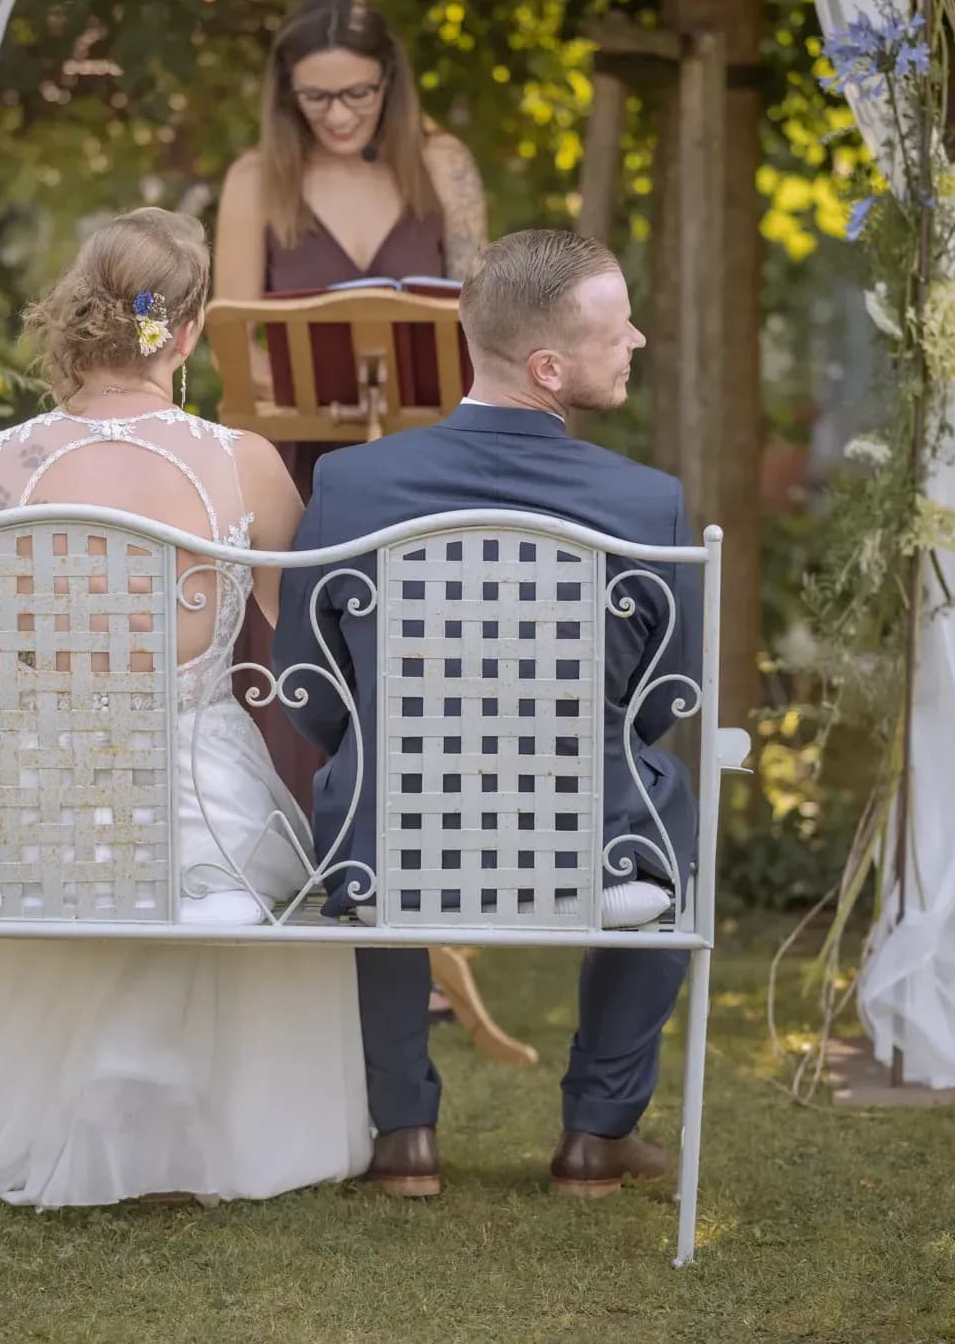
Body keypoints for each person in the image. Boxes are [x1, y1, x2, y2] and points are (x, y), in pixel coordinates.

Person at [0, 208, 369, 1207]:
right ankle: (174, 1125)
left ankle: (56, 1106)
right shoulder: (241, 462)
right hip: (193, 796)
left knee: (53, 827)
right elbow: (307, 653)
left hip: (26, 792)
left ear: (75, 317)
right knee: (216, 858)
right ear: (185, 334)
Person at [272, 229, 702, 1198]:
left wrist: (397, 755)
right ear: (547, 368)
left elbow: (305, 681)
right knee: (669, 800)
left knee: (359, 793)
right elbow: (666, 698)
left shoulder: (352, 484)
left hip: (392, 837)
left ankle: (402, 1139)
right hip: (588, 835)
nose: (637, 339)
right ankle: (595, 1133)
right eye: (616, 330)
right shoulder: (646, 504)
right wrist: (567, 760)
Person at [217, 0, 494, 1032]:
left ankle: (417, 932)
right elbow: (230, 338)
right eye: (314, 98)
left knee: (421, 687)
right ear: (285, 96)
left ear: (392, 82)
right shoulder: (257, 179)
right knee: (305, 681)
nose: (337, 118)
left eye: (358, 95)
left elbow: (488, 314)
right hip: (300, 475)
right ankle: (305, 918)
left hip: (425, 467)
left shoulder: (446, 165)